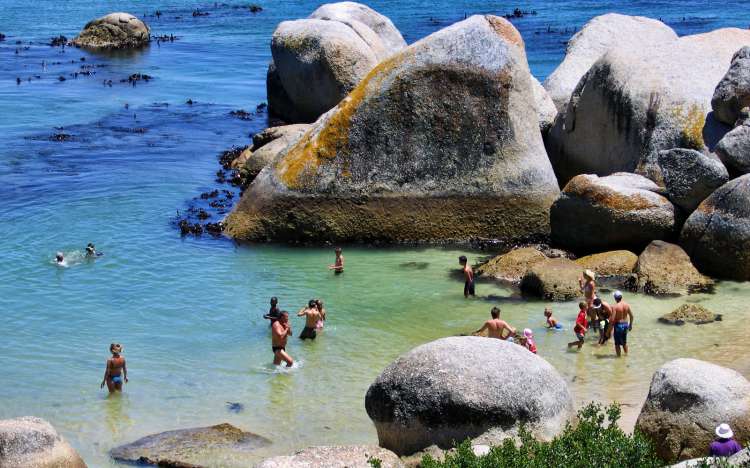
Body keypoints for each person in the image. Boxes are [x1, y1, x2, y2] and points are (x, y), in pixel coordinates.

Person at [611, 291, 633, 357]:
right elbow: (632, 316)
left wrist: (609, 330)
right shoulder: (626, 305)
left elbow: (612, 320)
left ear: (615, 298)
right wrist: (630, 325)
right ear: (621, 297)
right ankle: (626, 355)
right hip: (626, 324)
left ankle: (618, 358)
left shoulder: (615, 307)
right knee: (624, 342)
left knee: (617, 344)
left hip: (618, 325)